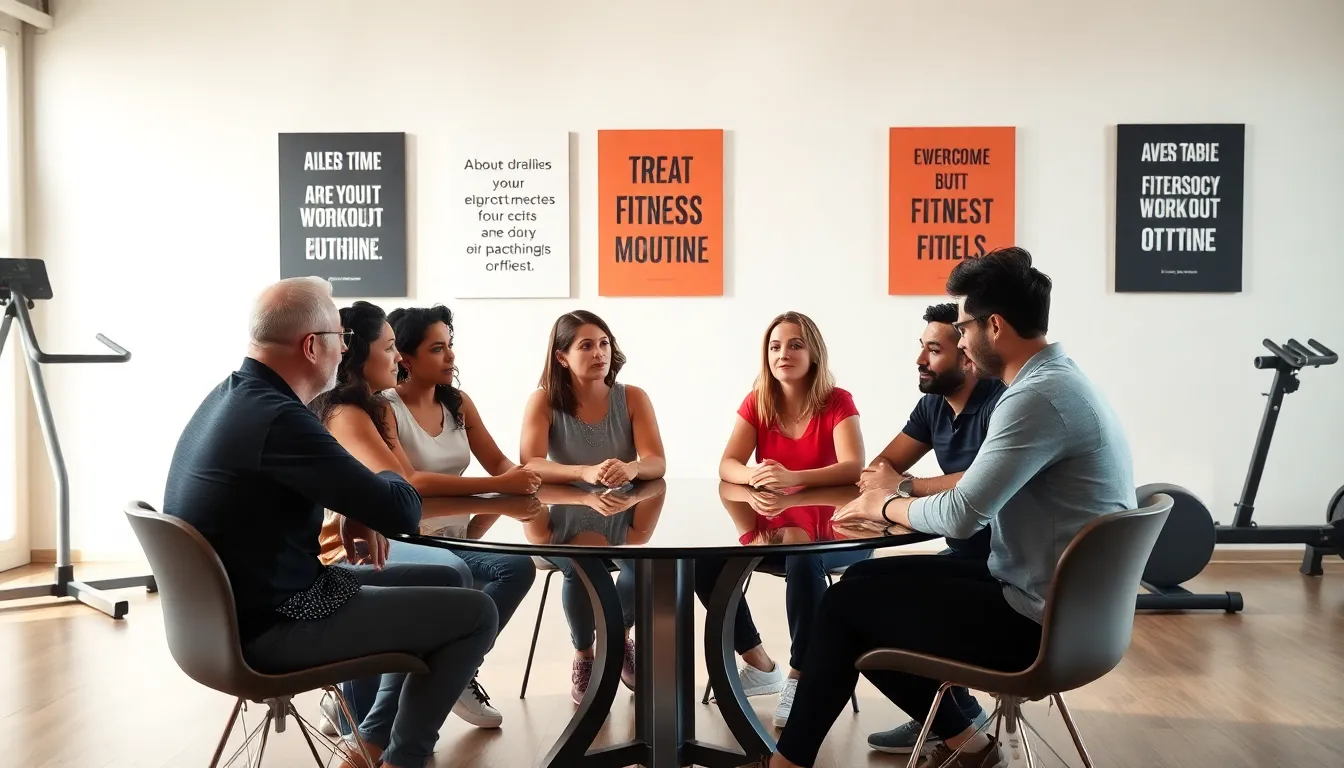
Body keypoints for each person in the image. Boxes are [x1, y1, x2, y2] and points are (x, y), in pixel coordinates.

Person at [770, 248, 1136, 768]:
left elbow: (962, 513)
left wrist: (887, 502)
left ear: (995, 326)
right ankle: (971, 746)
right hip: (1064, 607)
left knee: (847, 611)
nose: (961, 339)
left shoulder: (1034, 398)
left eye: (963, 328)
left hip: (1040, 623)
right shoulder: (1059, 380)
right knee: (854, 590)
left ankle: (789, 763)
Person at [162, 277, 497, 768]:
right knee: (477, 615)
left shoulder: (231, 396)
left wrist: (360, 504)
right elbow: (402, 506)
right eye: (341, 339)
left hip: (221, 622)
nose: (346, 351)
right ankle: (406, 758)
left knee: (447, 574)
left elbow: (370, 503)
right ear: (312, 346)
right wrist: (386, 459)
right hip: (272, 626)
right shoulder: (280, 418)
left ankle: (376, 742)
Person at [310, 302, 540, 737]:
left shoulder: (377, 407)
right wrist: (500, 489)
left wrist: (554, 478)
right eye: (393, 348)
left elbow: (500, 467)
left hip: (405, 534)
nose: (397, 358)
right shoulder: (360, 411)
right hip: (367, 547)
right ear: (361, 354)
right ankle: (438, 680)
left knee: (513, 567)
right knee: (449, 575)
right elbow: (404, 485)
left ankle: (452, 670)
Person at [695, 311, 867, 729]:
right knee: (705, 563)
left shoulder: (837, 400)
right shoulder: (758, 400)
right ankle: (759, 661)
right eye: (775, 346)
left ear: (813, 354)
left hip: (839, 532)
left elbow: (853, 466)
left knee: (804, 558)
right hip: (778, 530)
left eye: (794, 345)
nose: (783, 353)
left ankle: (800, 676)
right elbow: (727, 464)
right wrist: (753, 474)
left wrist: (792, 478)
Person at [857, 302, 1007, 755]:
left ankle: (950, 721)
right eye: (921, 348)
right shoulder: (932, 407)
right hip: (961, 549)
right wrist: (892, 483)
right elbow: (878, 468)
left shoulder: (1001, 402)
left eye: (934, 350)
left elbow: (983, 478)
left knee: (880, 602)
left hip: (1001, 560)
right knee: (865, 588)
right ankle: (952, 717)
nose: (920, 360)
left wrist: (903, 487)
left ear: (967, 355)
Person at [519, 309, 667, 705]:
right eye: (586, 345)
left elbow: (657, 462)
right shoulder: (544, 401)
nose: (599, 352)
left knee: (643, 564)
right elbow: (530, 464)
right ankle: (585, 654)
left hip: (623, 514)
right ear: (562, 356)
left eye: (604, 343)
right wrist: (584, 472)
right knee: (582, 565)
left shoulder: (632, 397)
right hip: (562, 519)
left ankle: (616, 640)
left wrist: (632, 466)